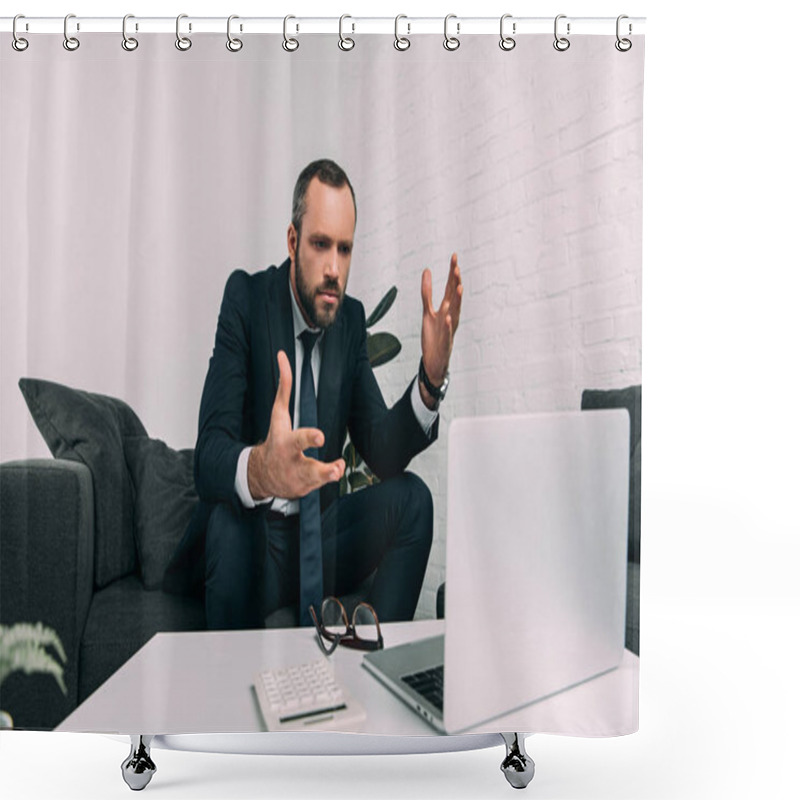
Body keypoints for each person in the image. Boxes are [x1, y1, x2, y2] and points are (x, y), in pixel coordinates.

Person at [164, 158, 462, 630]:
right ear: (292, 240)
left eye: (344, 250)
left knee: (414, 501)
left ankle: (371, 670)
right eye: (321, 245)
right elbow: (209, 455)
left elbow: (382, 453)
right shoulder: (246, 299)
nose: (333, 268)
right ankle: (235, 698)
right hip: (254, 540)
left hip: (321, 541)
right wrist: (263, 471)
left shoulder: (349, 322)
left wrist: (429, 379)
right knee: (229, 524)